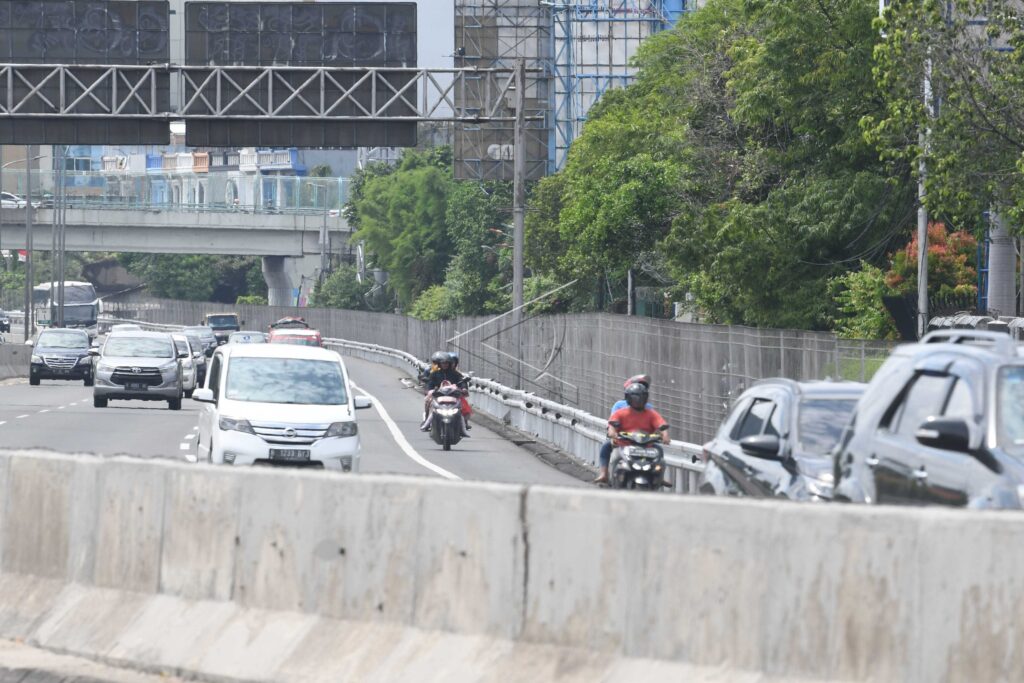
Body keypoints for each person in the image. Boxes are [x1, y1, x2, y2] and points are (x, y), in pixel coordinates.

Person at [595, 381, 669, 484]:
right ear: (628, 398)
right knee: (607, 447)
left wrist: (665, 435)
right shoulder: (620, 412)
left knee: (659, 450)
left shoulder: (651, 413)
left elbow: (661, 424)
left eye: (641, 397)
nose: (638, 401)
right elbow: (612, 424)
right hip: (624, 444)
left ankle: (659, 477)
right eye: (635, 398)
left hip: (646, 446)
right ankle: (604, 474)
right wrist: (613, 433)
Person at [421, 351, 472, 433]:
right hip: (439, 394)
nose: (445, 365)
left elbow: (462, 381)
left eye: (446, 363)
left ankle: (464, 424)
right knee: (428, 401)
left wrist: (463, 388)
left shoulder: (455, 374)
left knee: (462, 406)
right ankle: (426, 421)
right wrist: (429, 390)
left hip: (452, 395)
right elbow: (430, 383)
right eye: (443, 363)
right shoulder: (434, 374)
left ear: (449, 364)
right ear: (439, 364)